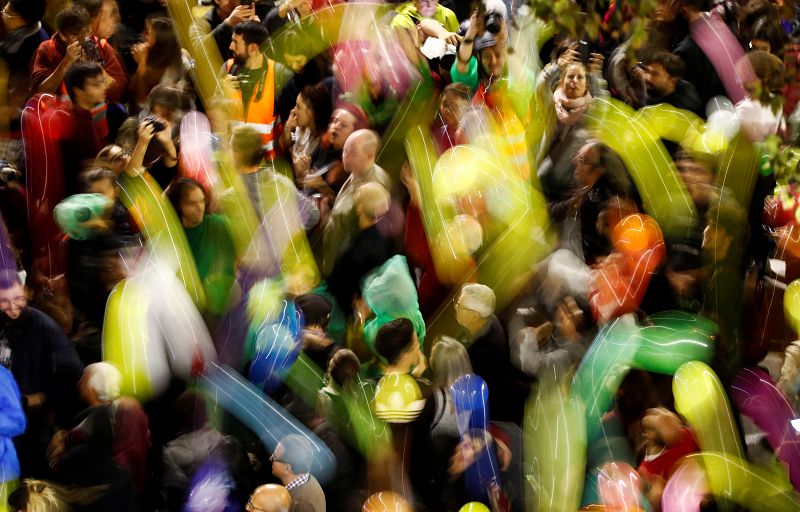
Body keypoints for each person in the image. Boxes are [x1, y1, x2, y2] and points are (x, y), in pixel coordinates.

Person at [0, 269, 83, 476]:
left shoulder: (44, 329)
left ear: (26, 292)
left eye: (17, 298)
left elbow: (71, 375)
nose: (12, 307)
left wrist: (39, 400)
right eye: (4, 301)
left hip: (32, 429)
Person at [321, 129, 391, 276]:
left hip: (340, 265)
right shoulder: (356, 170)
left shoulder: (374, 187)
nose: (344, 156)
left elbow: (362, 237)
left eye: (352, 153)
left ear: (370, 156)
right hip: (330, 254)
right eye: (344, 150)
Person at [455, 283, 527, 423]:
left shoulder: (483, 353)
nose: (455, 308)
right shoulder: (490, 320)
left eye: (460, 306)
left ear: (475, 316)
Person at [166, 178, 237, 316]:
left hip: (226, 310)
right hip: (191, 313)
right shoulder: (172, 237)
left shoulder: (219, 225)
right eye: (193, 203)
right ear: (178, 206)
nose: (200, 208)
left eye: (202, 201)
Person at [30, 3, 127, 103]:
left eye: (85, 33)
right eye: (75, 35)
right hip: (58, 114)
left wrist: (94, 68)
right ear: (62, 35)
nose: (81, 40)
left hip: (96, 114)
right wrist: (66, 63)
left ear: (89, 30)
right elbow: (38, 95)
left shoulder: (101, 47)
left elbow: (119, 92)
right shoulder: (47, 49)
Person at [327, 182, 397, 317]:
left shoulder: (357, 252)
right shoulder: (387, 236)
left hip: (345, 311)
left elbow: (338, 285)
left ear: (359, 209)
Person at [224, 20, 290, 157]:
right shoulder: (228, 69)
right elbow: (215, 114)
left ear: (253, 48)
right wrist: (221, 93)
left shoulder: (280, 75)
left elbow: (290, 123)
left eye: (236, 42)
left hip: (265, 164)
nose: (230, 46)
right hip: (233, 160)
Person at [60, 61, 127, 195]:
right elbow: (79, 167)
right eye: (95, 85)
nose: (103, 87)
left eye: (102, 82)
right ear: (78, 91)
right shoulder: (73, 122)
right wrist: (111, 165)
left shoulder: (85, 114)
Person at [0, 0, 48, 167]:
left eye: (7, 13)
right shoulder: (18, 34)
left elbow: (20, 91)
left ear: (22, 19)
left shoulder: (33, 46)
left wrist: (6, 111)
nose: (3, 13)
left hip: (12, 129)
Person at [278, 83, 333, 180]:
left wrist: (302, 173)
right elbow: (291, 151)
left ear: (311, 113)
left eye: (298, 107)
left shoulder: (324, 147)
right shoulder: (301, 129)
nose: (293, 111)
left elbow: (310, 188)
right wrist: (287, 133)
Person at [129, 17, 185, 110]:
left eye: (149, 34)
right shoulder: (169, 57)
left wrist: (142, 64)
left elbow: (141, 103)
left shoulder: (170, 74)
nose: (145, 37)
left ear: (160, 43)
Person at [271, 434, 326, 512]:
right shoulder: (309, 479)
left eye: (274, 457)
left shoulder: (303, 503)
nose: (270, 458)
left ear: (287, 468)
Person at [639, 51, 703, 117]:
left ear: (672, 80)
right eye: (647, 71)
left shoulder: (679, 112)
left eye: (655, 74)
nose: (647, 77)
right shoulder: (656, 90)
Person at [190, 0, 260, 59]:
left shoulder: (256, 12)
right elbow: (199, 50)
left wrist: (255, 29)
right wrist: (228, 24)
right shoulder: (201, 24)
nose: (235, 1)